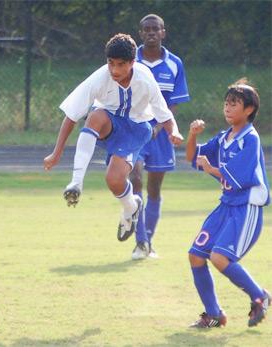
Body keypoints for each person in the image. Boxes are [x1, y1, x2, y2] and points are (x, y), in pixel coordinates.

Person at [43, 33, 183, 241]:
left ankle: (131, 207)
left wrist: (174, 132)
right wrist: (56, 153)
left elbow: (163, 113)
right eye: (111, 63)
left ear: (132, 63)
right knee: (95, 116)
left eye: (121, 64)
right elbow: (71, 116)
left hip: (136, 130)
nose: (115, 70)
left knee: (114, 181)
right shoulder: (99, 78)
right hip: (109, 123)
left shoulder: (145, 79)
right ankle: (76, 183)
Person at [186, 78, 271, 328]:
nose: (228, 108)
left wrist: (211, 168)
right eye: (226, 103)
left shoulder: (250, 139)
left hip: (246, 207)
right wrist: (192, 135)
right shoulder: (224, 138)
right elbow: (193, 157)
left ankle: (260, 296)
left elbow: (238, 177)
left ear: (249, 110)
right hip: (226, 205)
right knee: (196, 256)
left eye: (234, 104)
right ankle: (214, 314)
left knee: (220, 258)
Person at [130, 14, 190, 260]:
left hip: (162, 134)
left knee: (154, 189)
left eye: (156, 29)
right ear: (141, 33)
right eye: (147, 29)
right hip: (134, 131)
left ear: (163, 32)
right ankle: (140, 241)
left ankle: (148, 241)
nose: (151, 33)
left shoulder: (175, 63)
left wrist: (161, 124)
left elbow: (174, 102)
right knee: (135, 178)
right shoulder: (130, 60)